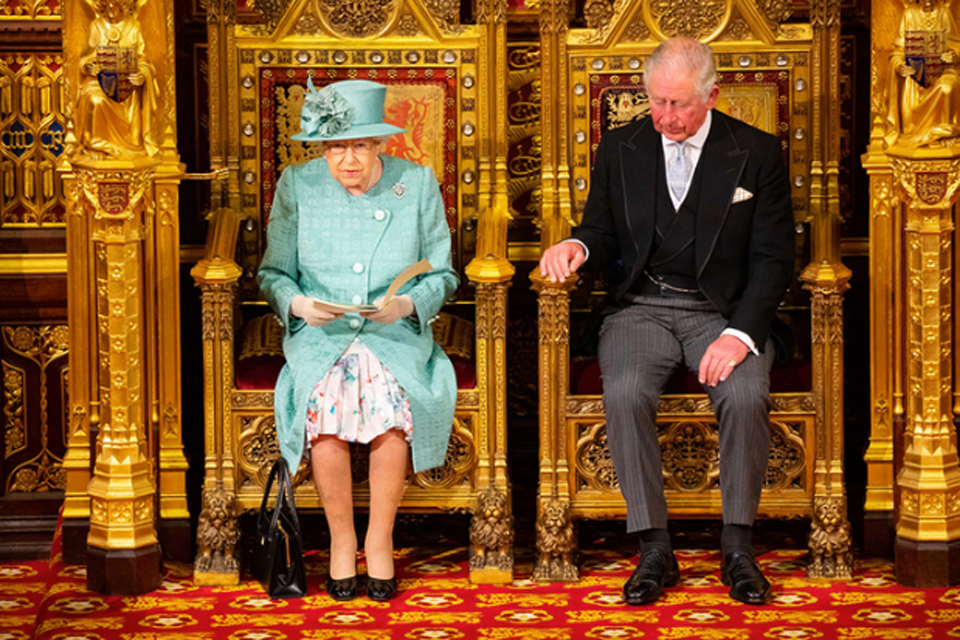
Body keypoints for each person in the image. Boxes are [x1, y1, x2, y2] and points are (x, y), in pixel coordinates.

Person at [539, 37, 794, 606]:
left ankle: (738, 546)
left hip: (721, 314)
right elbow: (602, 232)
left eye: (679, 104)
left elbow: (774, 260)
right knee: (626, 391)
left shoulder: (755, 152)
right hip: (641, 308)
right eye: (656, 102)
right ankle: (654, 546)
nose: (665, 117)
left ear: (712, 95)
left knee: (746, 391)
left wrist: (739, 335)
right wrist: (577, 246)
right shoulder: (622, 147)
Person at [258, 79, 459, 602]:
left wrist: (406, 305)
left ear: (379, 145)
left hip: (391, 331)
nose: (348, 160)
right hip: (322, 334)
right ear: (322, 148)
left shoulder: (415, 183)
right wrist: (300, 306)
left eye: (360, 146)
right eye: (335, 147)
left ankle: (380, 539)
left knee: (390, 402)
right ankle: (343, 541)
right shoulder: (297, 185)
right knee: (326, 402)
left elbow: (442, 273)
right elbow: (273, 273)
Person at [74, 0, 159, 158]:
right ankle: (97, 145)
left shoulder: (133, 26)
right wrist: (89, 67)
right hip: (99, 83)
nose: (112, 9)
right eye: (109, 4)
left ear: (124, 6)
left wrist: (141, 75)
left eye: (117, 5)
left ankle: (132, 144)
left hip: (127, 83)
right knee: (95, 99)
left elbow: (144, 61)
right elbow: (84, 59)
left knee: (134, 96)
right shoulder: (96, 26)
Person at [885, 0, 960, 147]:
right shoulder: (909, 14)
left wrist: (954, 55)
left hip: (943, 70)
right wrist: (900, 65)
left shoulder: (944, 12)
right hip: (916, 73)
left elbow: (955, 45)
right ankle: (912, 133)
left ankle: (943, 134)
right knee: (911, 93)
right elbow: (898, 51)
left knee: (947, 88)